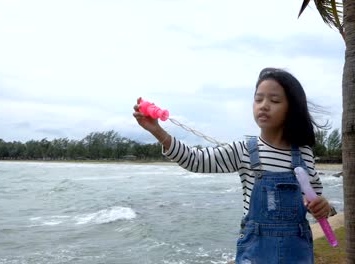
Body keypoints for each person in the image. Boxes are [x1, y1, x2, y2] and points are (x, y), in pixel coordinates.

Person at [133, 67, 331, 264]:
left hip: (297, 252)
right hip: (255, 253)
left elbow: (315, 199)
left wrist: (322, 206)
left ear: (291, 108)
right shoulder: (244, 149)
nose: (264, 105)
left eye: (274, 100)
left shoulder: (304, 153)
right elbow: (195, 160)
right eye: (258, 99)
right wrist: (157, 131)